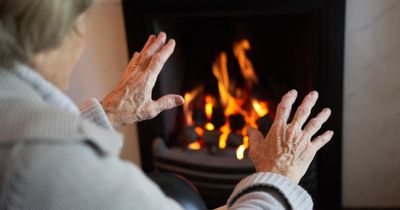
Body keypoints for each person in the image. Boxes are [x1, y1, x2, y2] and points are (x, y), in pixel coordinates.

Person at [0, 0, 334, 209]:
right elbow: (49, 161)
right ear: (43, 43)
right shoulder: (47, 164)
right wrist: (278, 176)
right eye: (79, 25)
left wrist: (107, 114)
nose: (82, 40)